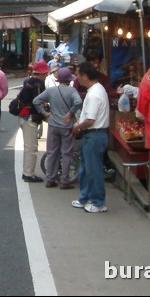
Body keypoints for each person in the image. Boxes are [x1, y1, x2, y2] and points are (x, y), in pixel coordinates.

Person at [71, 62, 110, 213]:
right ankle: (85, 197)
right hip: (93, 135)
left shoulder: (94, 94)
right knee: (86, 168)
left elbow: (90, 120)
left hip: (94, 134)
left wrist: (77, 126)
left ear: (85, 76)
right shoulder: (96, 89)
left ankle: (98, 202)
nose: (77, 78)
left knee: (93, 170)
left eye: (78, 75)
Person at [34, 67, 83, 189]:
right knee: (66, 153)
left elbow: (36, 101)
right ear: (69, 80)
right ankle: (64, 180)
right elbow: (78, 102)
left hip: (53, 125)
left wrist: (44, 113)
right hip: (67, 126)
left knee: (52, 152)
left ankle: (50, 178)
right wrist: (71, 113)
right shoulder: (72, 91)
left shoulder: (51, 90)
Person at [17, 60, 48, 182]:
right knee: (31, 147)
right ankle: (28, 174)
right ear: (41, 73)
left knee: (29, 146)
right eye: (45, 73)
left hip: (23, 116)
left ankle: (27, 172)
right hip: (29, 117)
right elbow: (36, 102)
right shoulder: (37, 84)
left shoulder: (28, 81)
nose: (45, 76)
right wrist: (45, 112)